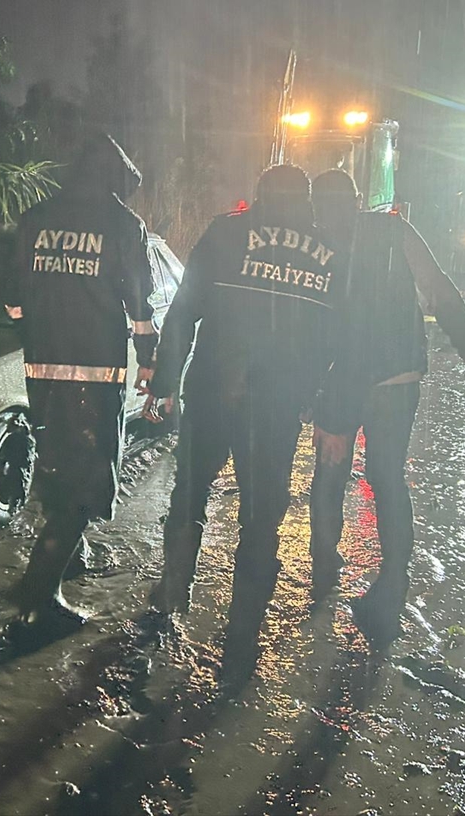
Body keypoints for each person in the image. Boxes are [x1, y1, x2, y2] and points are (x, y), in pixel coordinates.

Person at [144, 163, 347, 685]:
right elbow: (341, 338)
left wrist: (164, 380)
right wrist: (319, 397)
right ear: (305, 200)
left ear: (259, 195)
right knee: (260, 518)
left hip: (213, 390)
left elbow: (184, 311)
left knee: (190, 492)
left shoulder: (225, 232)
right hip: (277, 406)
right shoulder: (332, 250)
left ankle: (171, 595)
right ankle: (241, 640)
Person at [309, 169, 465, 647]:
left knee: (330, 473)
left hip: (339, 376)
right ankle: (391, 582)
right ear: (357, 199)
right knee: (386, 479)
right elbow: (438, 289)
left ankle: (324, 567)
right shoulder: (392, 231)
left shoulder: (313, 242)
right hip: (395, 376)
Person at [4, 134, 158, 639]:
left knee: (55, 464)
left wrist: (34, 335)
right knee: (89, 480)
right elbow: (140, 306)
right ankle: (37, 598)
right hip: (96, 371)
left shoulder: (35, 218)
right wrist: (149, 361)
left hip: (41, 370)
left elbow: (12, 298)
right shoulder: (123, 225)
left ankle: (69, 555)